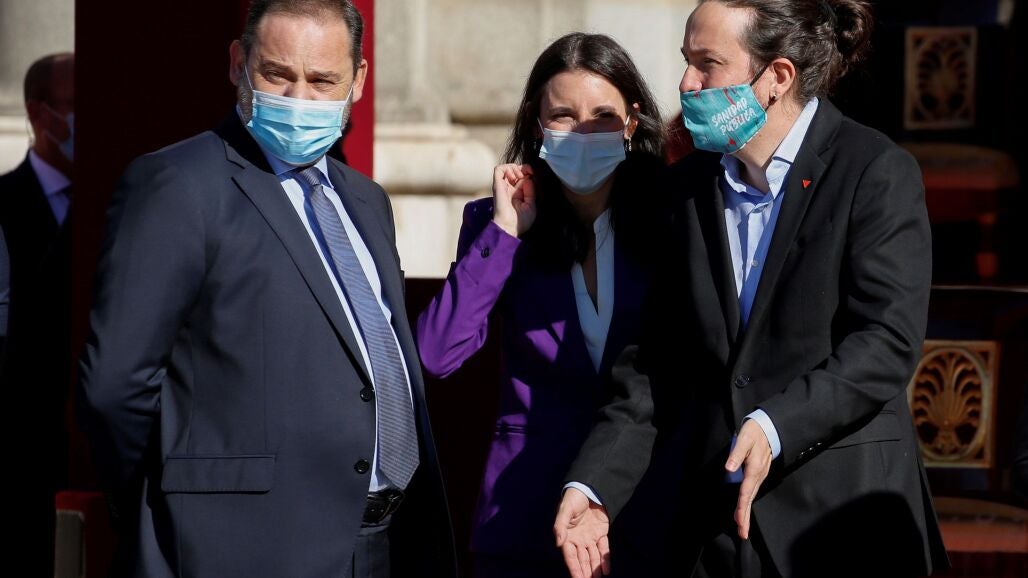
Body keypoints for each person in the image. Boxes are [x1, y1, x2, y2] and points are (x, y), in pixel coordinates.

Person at [555, 1, 950, 577]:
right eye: (686, 61)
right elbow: (651, 366)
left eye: (708, 64)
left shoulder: (872, 170)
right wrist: (595, 487)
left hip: (840, 523)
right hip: (715, 532)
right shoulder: (684, 192)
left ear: (777, 77)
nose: (687, 84)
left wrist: (775, 425)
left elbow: (886, 339)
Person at [76, 2, 455, 576]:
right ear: (238, 63)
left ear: (358, 80)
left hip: (384, 542)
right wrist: (173, 511)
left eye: (322, 80)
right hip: (242, 548)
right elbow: (114, 388)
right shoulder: (178, 184)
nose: (299, 99)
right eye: (277, 74)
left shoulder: (365, 200)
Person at [416, 32, 665, 578]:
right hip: (527, 514)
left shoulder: (671, 219)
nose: (583, 132)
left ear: (631, 122)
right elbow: (437, 353)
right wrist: (507, 232)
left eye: (602, 116)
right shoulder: (496, 224)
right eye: (563, 116)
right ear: (536, 123)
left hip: (644, 505)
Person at [0, 51, 75, 576]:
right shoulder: (5, 202)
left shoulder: (121, 197)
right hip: (21, 451)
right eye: (72, 105)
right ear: (38, 112)